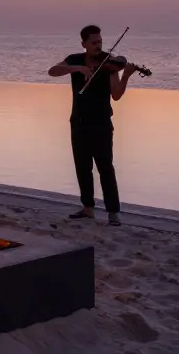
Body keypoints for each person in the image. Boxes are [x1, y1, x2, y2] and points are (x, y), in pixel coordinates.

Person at [47, 25, 138, 227]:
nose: (98, 46)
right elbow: (52, 71)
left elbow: (116, 95)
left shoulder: (110, 64)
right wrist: (76, 69)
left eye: (100, 42)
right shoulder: (75, 59)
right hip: (78, 121)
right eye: (94, 42)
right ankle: (88, 208)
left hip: (101, 123)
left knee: (105, 167)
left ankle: (113, 213)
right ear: (84, 44)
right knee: (82, 166)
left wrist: (126, 76)